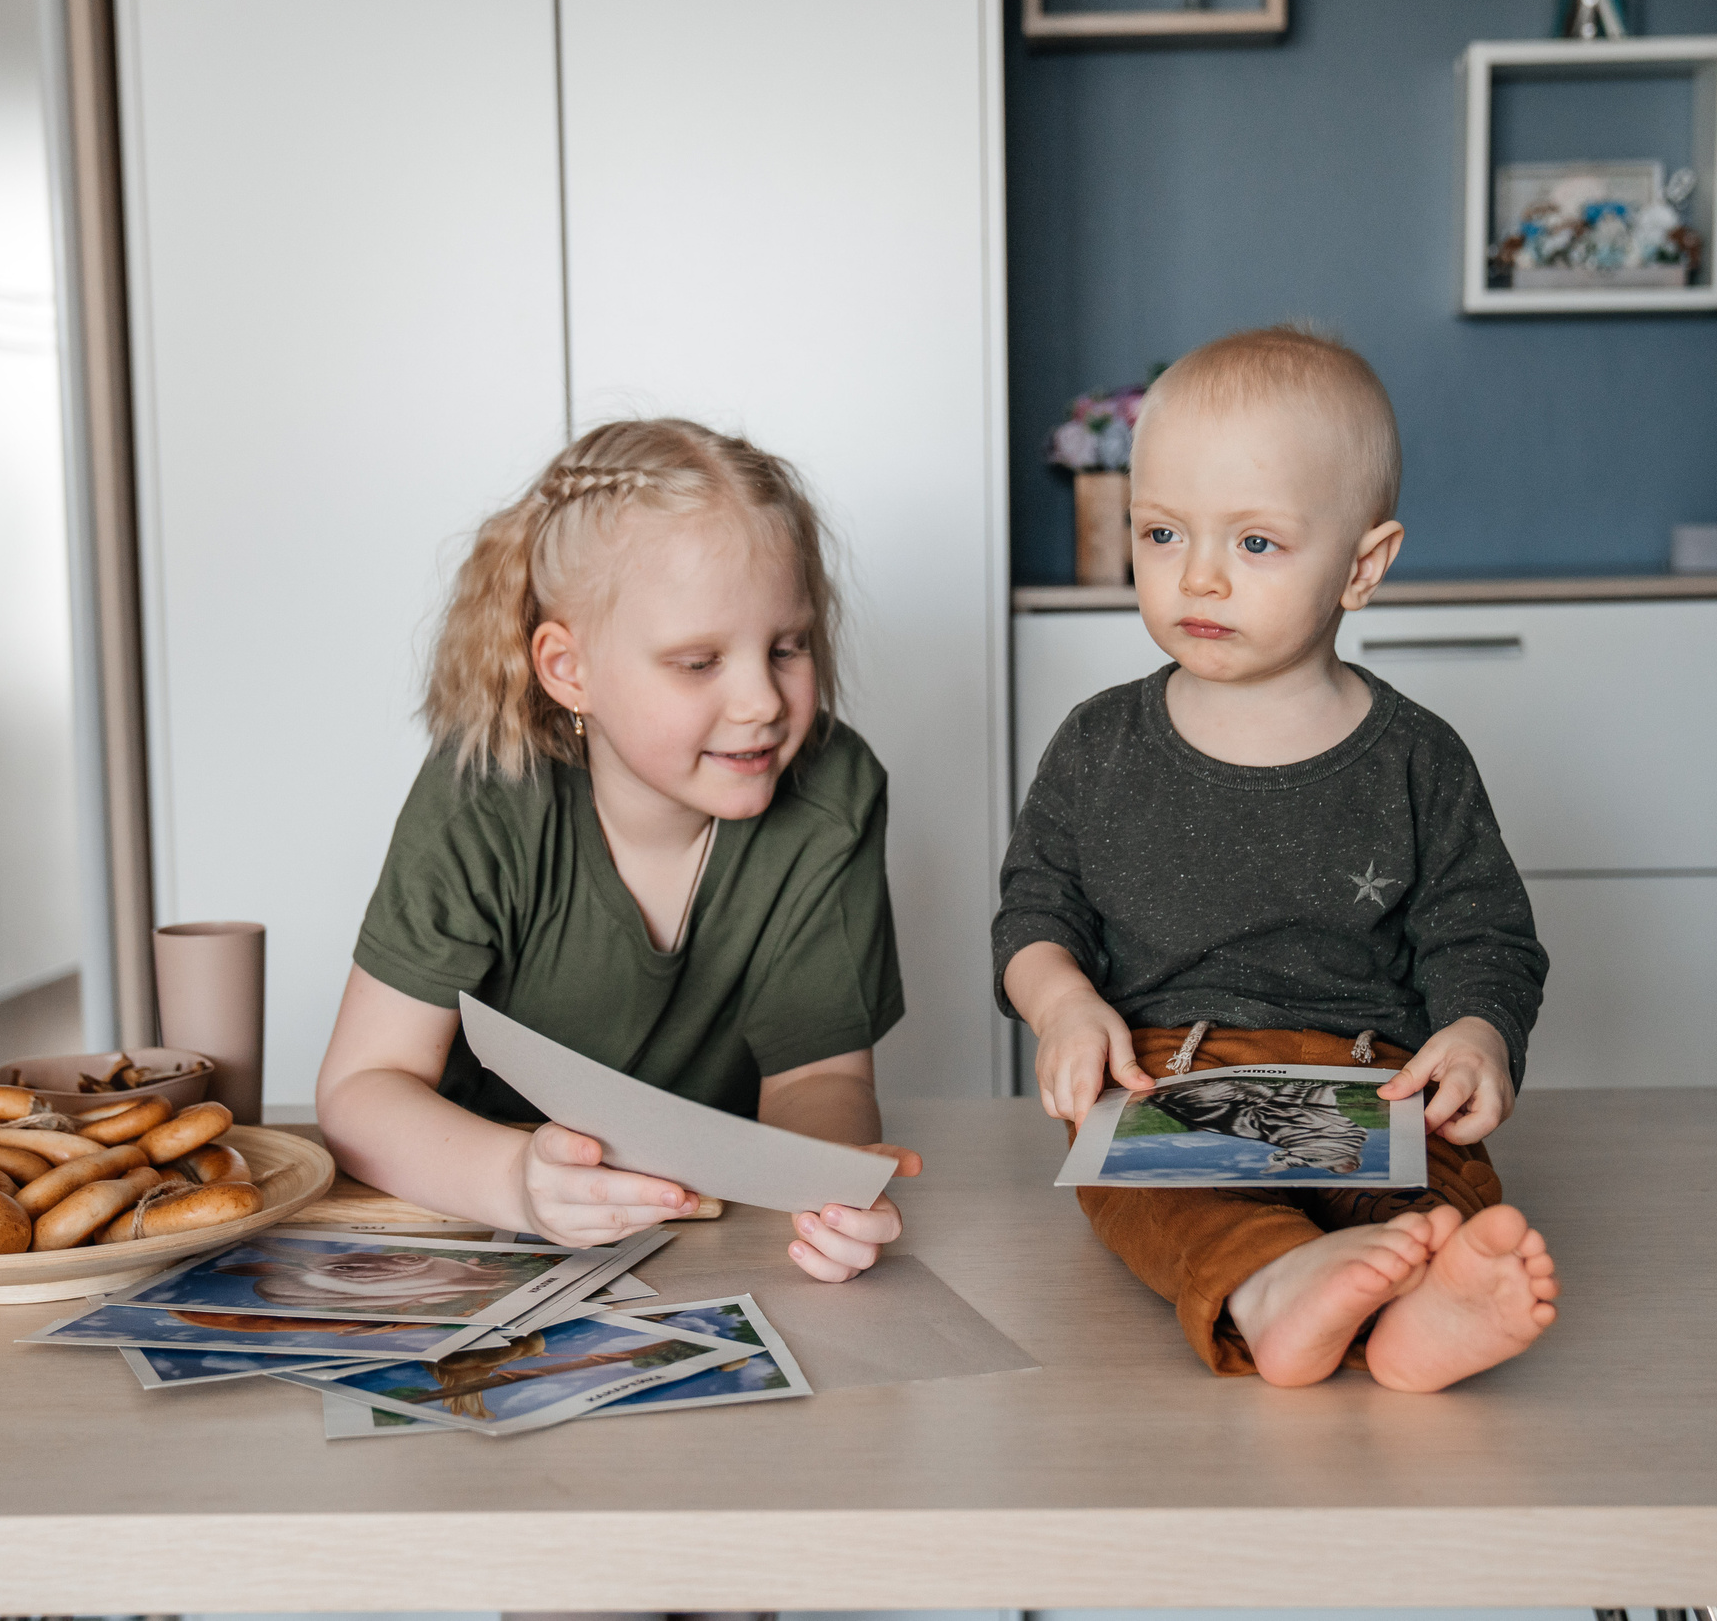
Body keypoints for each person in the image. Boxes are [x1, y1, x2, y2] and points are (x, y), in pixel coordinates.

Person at [997, 325, 1561, 1390]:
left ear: (1362, 566)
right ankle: (1272, 1287)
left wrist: (1479, 1036)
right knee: (1150, 1198)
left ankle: (1415, 1311)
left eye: (1253, 543)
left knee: (1447, 1195)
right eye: (1161, 534)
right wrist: (1063, 1006)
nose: (1198, 576)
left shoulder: (1415, 758)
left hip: (1374, 1079)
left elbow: (1481, 934)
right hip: (1169, 1073)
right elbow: (1035, 911)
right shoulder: (1097, 744)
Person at [315, 418, 914, 1282]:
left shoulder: (833, 792)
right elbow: (363, 1090)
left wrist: (825, 1186)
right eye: (699, 661)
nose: (761, 701)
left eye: (787, 648)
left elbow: (816, 1080)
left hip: (707, 1241)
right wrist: (519, 1184)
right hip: (476, 1231)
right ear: (569, 670)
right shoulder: (483, 792)